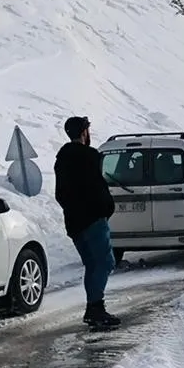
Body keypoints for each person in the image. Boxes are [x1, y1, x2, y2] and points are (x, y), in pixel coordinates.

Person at [54, 115, 121, 330]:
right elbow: (97, 189)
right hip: (93, 219)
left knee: (93, 264)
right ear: (84, 132)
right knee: (104, 262)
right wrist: (105, 208)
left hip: (74, 221)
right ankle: (95, 308)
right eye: (87, 130)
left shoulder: (61, 160)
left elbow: (61, 193)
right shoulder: (89, 157)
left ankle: (94, 308)